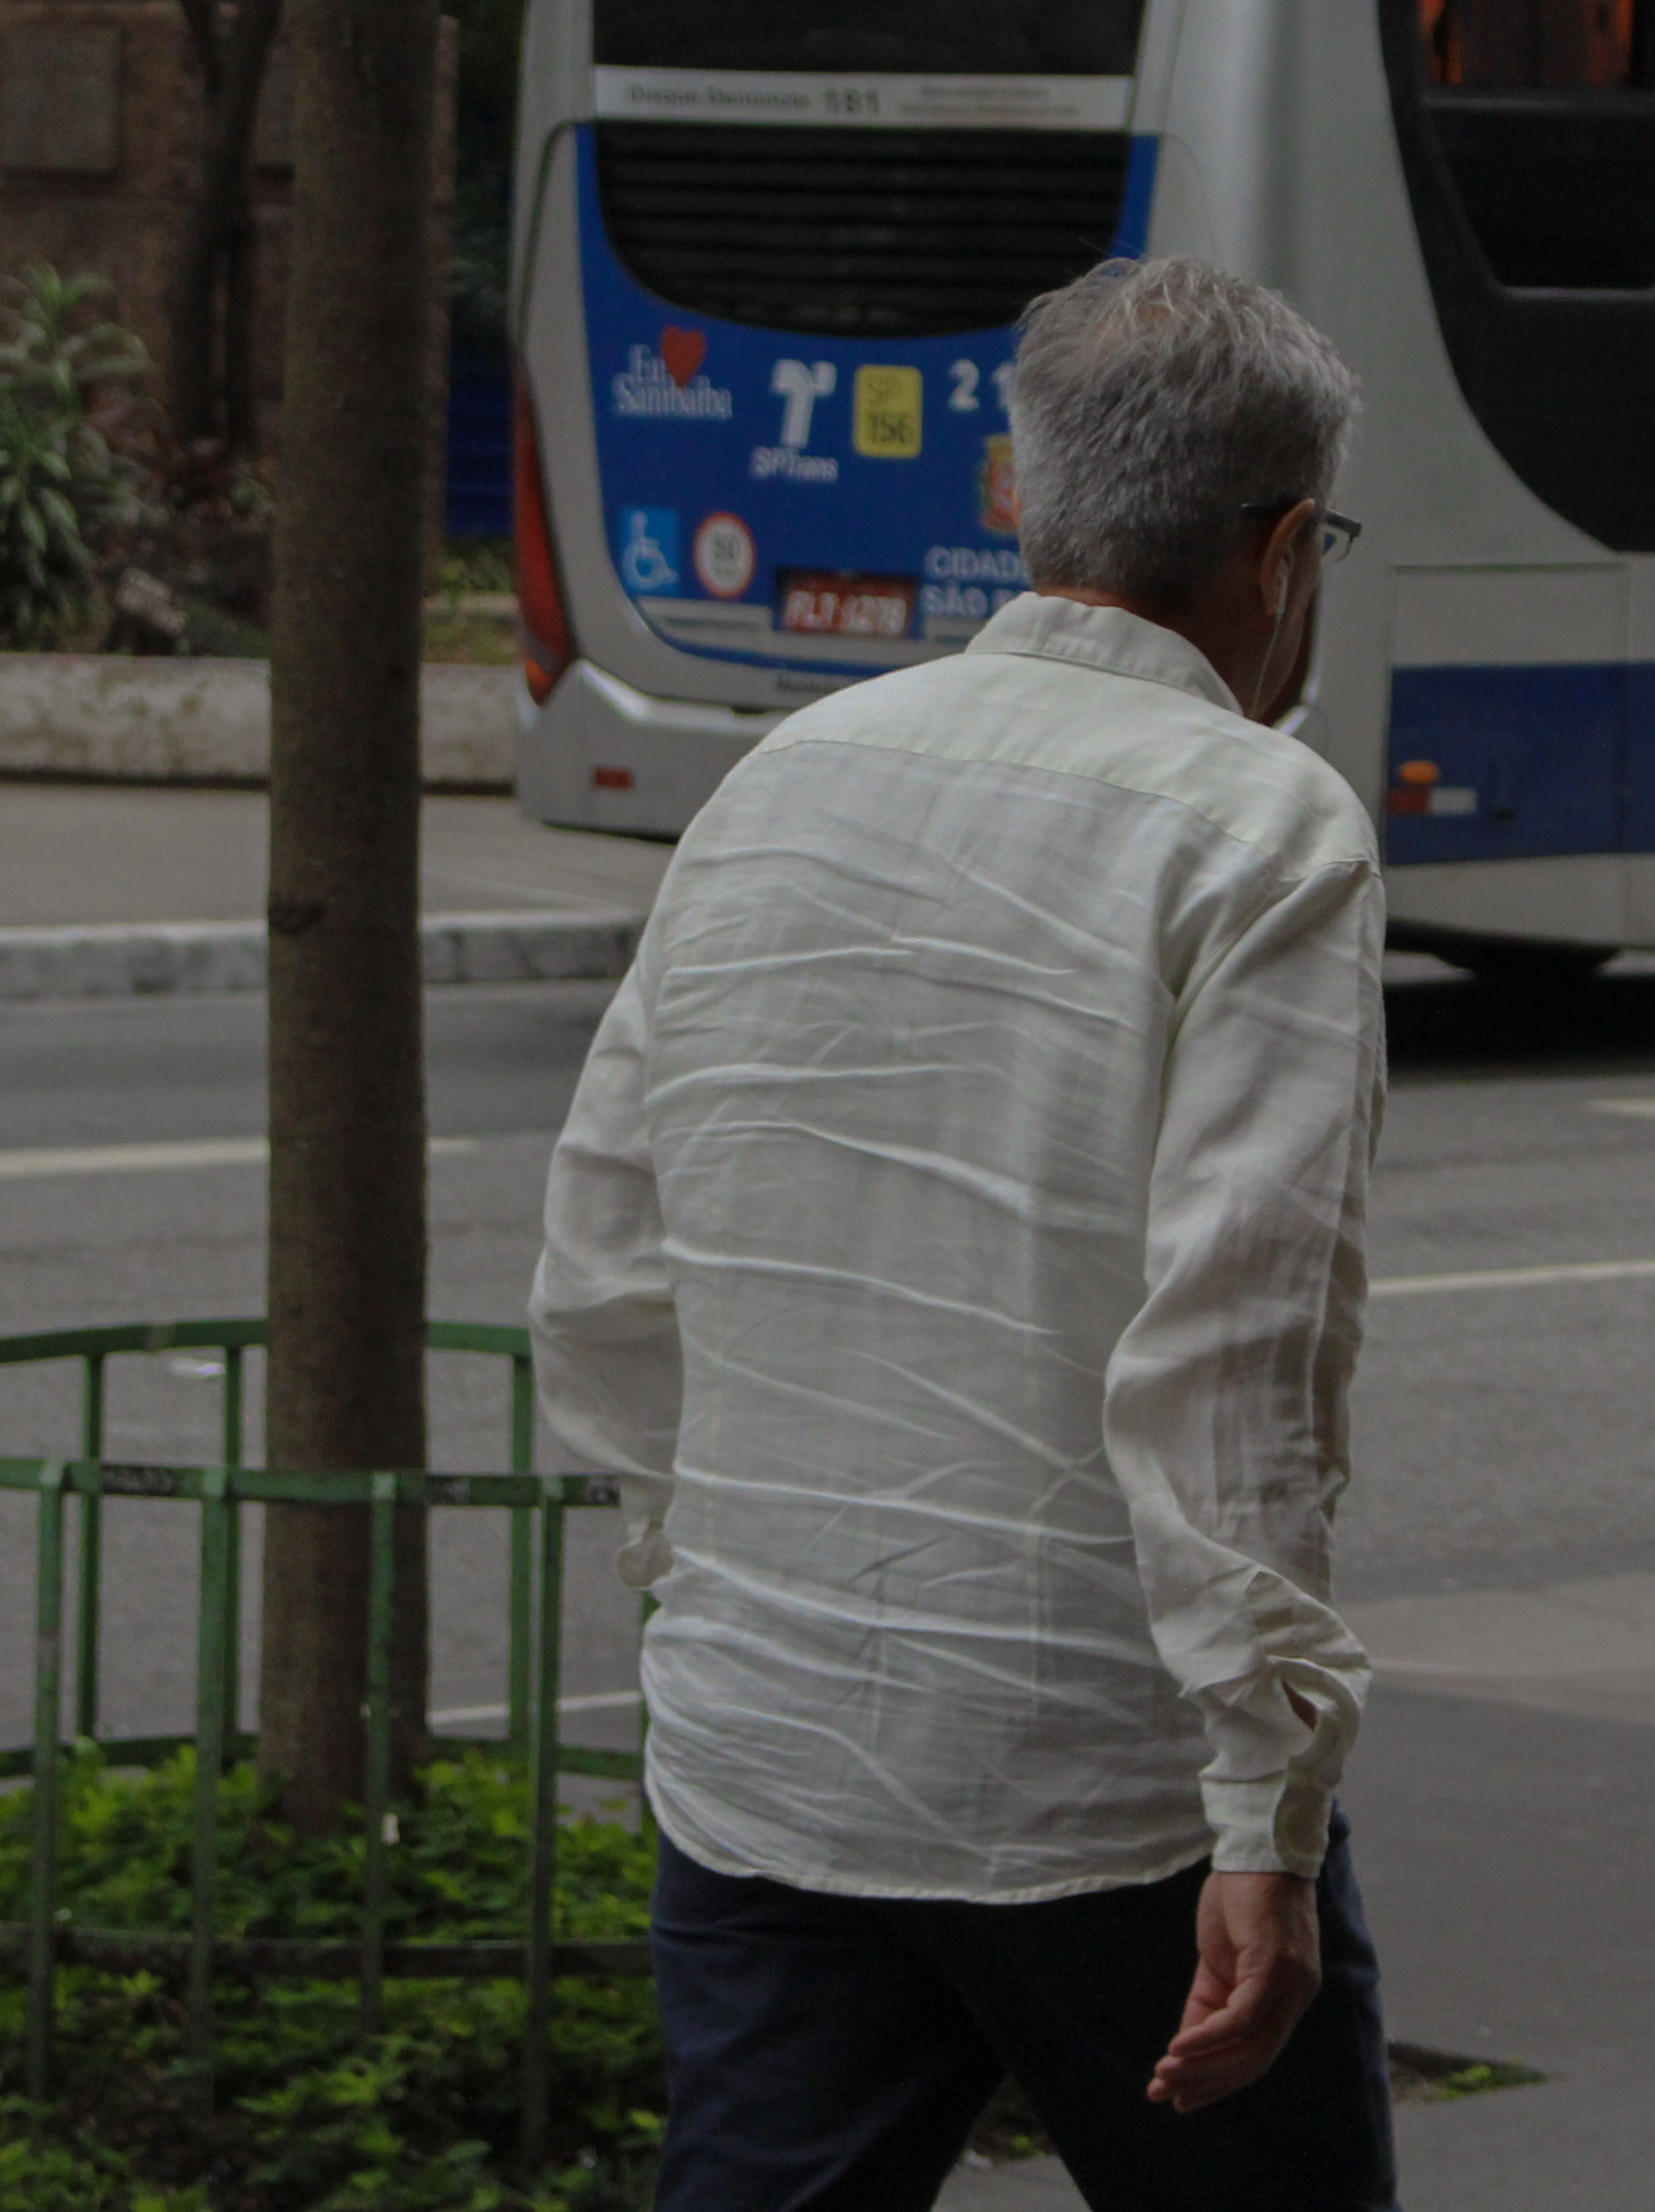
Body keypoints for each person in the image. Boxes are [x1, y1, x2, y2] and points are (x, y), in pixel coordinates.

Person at [531, 256, 1393, 2212]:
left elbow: (602, 1265)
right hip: (1108, 1787)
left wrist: (714, 1589)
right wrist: (1263, 1806)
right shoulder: (1262, 827)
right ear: (1279, 553)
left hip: (770, 1755)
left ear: (1015, 501)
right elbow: (1233, 1360)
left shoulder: (776, 783)